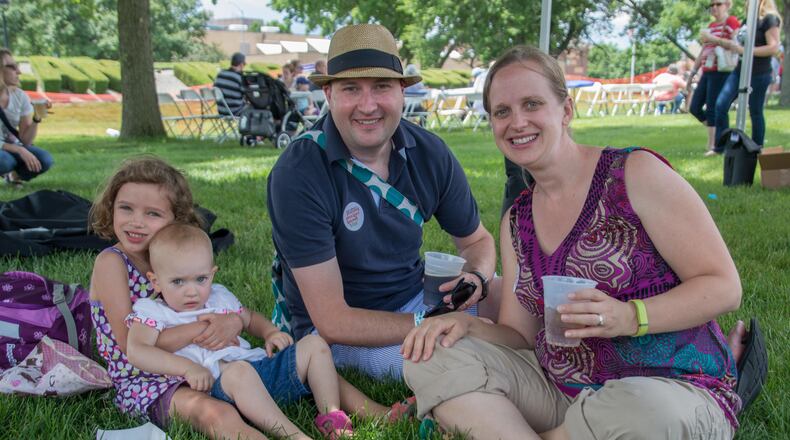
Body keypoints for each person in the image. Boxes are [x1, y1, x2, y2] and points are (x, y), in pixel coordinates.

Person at [402, 46, 744, 439]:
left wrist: (631, 316)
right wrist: (467, 324)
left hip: (664, 388)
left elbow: (723, 286)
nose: (517, 122)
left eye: (532, 104)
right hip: (557, 391)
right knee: (428, 356)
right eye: (502, 112)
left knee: (648, 413)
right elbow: (519, 335)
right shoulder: (518, 220)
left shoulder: (633, 175)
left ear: (565, 111)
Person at [267, 23, 498, 380]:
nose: (368, 105)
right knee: (456, 357)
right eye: (350, 89)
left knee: (522, 305)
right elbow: (333, 321)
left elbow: (477, 241)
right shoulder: (298, 172)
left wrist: (478, 277)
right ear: (328, 94)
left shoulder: (430, 151)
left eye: (382, 86)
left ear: (403, 91)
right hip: (344, 334)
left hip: (419, 301)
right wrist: (431, 323)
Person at [126, 223, 389, 439]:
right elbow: (137, 350)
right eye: (178, 281)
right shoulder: (152, 311)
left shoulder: (219, 297)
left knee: (314, 344)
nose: (192, 290)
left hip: (259, 371)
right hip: (219, 387)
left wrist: (270, 332)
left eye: (201, 279)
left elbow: (249, 318)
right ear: (155, 281)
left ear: (212, 274)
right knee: (238, 372)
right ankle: (294, 435)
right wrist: (186, 368)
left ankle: (331, 416)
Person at [90, 157, 272, 438]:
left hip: (203, 360)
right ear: (111, 208)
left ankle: (362, 411)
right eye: (126, 208)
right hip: (145, 377)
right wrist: (208, 327)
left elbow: (207, 302)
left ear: (177, 219)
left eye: (152, 213)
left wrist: (235, 320)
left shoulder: (170, 259)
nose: (136, 222)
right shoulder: (111, 263)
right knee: (218, 414)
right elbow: (131, 346)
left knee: (293, 365)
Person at [713, 0, 781, 152]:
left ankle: (756, 148)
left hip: (759, 72)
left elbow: (773, 47)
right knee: (721, 104)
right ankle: (721, 147)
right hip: (740, 71)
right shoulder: (747, 20)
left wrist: (745, 50)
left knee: (755, 110)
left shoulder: (769, 19)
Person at [686, 1, 740, 155]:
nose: (714, 7)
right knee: (695, 107)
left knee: (712, 107)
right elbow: (703, 51)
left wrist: (713, 39)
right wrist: (693, 72)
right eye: (712, 4)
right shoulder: (710, 26)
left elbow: (736, 45)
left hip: (721, 71)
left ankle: (713, 145)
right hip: (707, 71)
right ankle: (719, 137)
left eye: (718, 3)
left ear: (727, 5)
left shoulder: (731, 22)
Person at [0, 48, 53, 187]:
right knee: (5, 161)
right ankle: (8, 169)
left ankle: (13, 176)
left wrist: (36, 118)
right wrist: (20, 150)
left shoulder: (20, 96)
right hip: (5, 150)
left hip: (12, 146)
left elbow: (25, 140)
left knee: (45, 159)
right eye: (11, 67)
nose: (18, 71)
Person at [213, 52, 246, 116]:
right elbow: (247, 95)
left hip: (221, 111)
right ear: (241, 64)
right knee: (256, 108)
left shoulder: (220, 74)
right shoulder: (239, 77)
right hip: (235, 111)